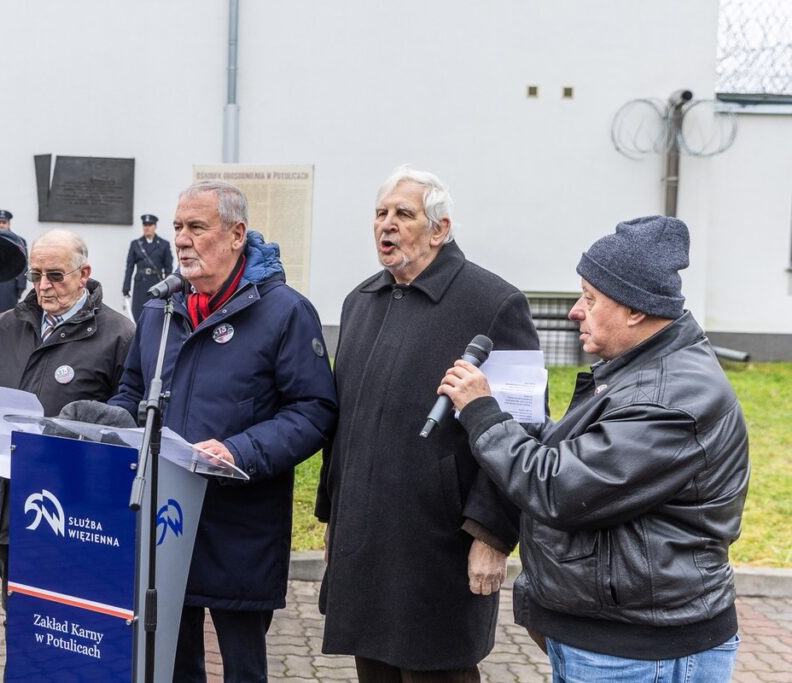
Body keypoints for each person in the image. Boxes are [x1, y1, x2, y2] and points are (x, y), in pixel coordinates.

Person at [441, 216, 748, 682]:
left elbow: (560, 488)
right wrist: (529, 426)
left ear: (634, 310)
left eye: (589, 298)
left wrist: (483, 414)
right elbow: (596, 459)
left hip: (641, 653)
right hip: (618, 640)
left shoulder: (669, 399)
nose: (575, 311)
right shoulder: (638, 371)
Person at [315, 166, 541, 682]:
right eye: (380, 213)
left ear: (440, 229)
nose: (386, 224)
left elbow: (523, 428)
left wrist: (492, 533)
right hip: (366, 536)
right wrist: (333, 516)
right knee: (373, 665)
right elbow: (344, 423)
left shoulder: (495, 303)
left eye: (404, 214)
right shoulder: (360, 302)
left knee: (437, 668)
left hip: (440, 540)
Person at [106, 181, 337, 682]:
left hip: (239, 526)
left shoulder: (284, 312)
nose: (181, 240)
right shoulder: (159, 310)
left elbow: (314, 410)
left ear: (236, 235)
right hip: (166, 524)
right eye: (177, 227)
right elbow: (132, 393)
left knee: (242, 669)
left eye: (196, 227)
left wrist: (239, 451)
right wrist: (109, 426)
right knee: (172, 664)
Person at [0, 228, 134, 610]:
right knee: (21, 615)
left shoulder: (118, 335)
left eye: (55, 275)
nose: (43, 286)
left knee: (75, 616)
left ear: (83, 274)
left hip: (78, 510)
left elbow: (129, 422)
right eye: (35, 275)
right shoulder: (1, 328)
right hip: (14, 500)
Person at [122, 213, 173, 322]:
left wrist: (168, 287)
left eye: (150, 225)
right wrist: (126, 287)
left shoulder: (164, 244)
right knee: (138, 314)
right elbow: (129, 267)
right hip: (140, 284)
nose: (147, 227)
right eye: (145, 225)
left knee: (155, 314)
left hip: (156, 284)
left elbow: (168, 268)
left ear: (155, 226)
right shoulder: (136, 244)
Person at [0, 209, 28, 318]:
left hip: (9, 285)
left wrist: (20, 286)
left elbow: (23, 265)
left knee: (7, 318)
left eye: (4, 222)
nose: (1, 225)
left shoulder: (18, 241)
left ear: (9, 223)